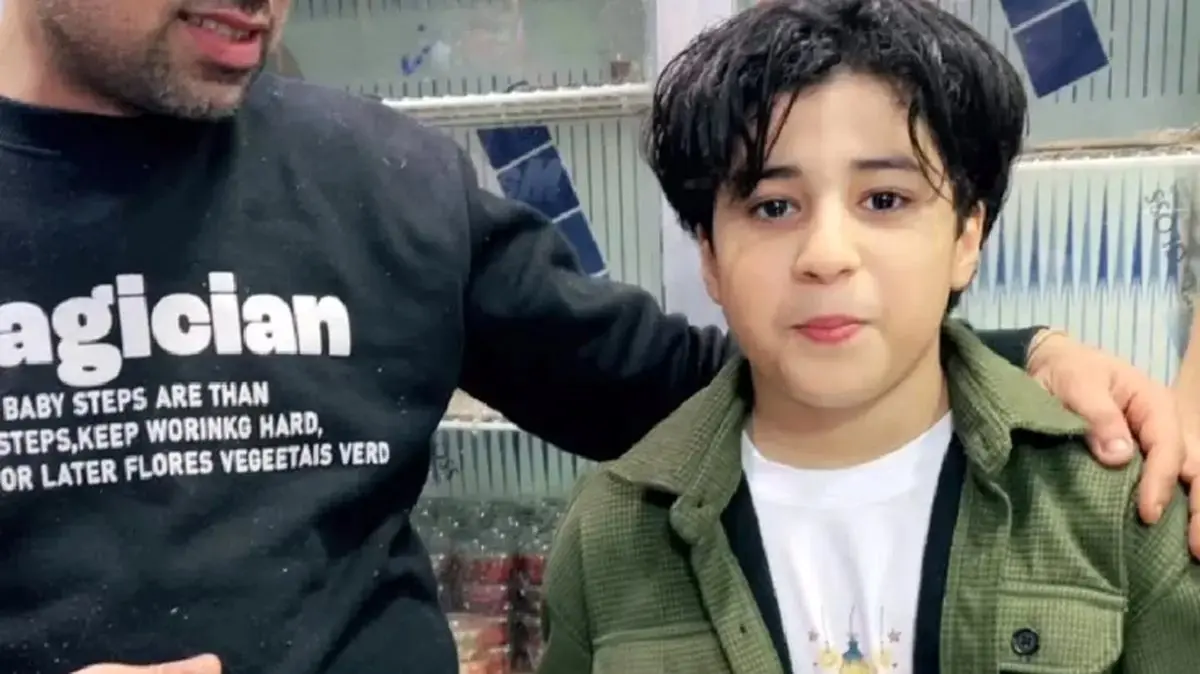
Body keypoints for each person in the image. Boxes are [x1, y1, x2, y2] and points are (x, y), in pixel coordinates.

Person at [0, 0, 1189, 672]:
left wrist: (1016, 362)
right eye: (771, 204)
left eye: (887, 199)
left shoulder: (381, 180)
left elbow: (704, 384)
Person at [537, 1, 1200, 672]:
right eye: (773, 207)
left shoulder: (1115, 504)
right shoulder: (610, 538)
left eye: (884, 200)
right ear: (709, 255)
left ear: (967, 237)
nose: (826, 255)